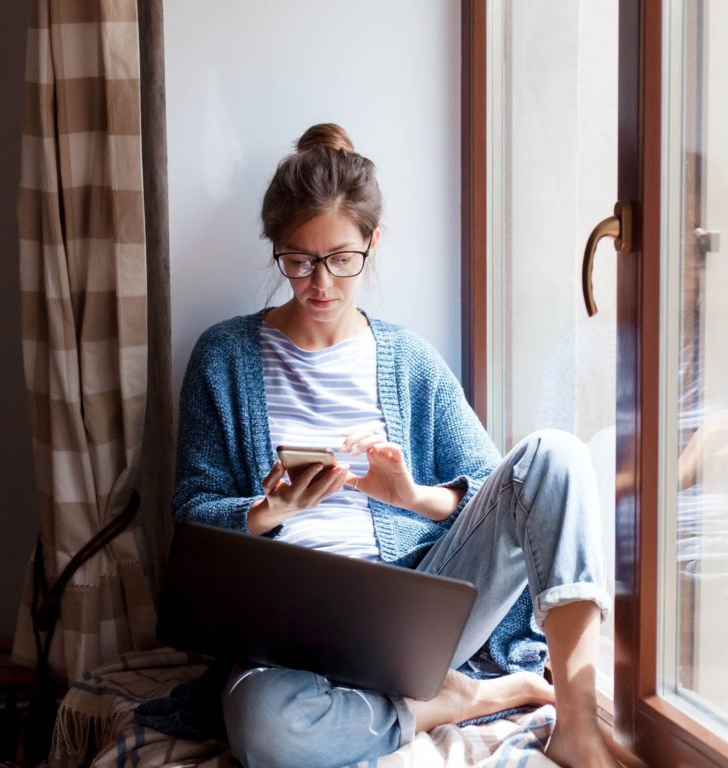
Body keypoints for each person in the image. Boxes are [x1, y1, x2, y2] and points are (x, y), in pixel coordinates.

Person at [173, 123, 624, 768]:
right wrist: (269, 511)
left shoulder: (408, 360)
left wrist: (413, 496)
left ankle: (577, 723)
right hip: (286, 636)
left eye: (341, 259)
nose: (320, 282)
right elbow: (188, 513)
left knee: (555, 455)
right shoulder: (223, 357)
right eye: (299, 260)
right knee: (267, 733)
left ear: (371, 244)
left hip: (413, 615)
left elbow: (508, 494)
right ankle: (456, 702)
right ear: (276, 250)